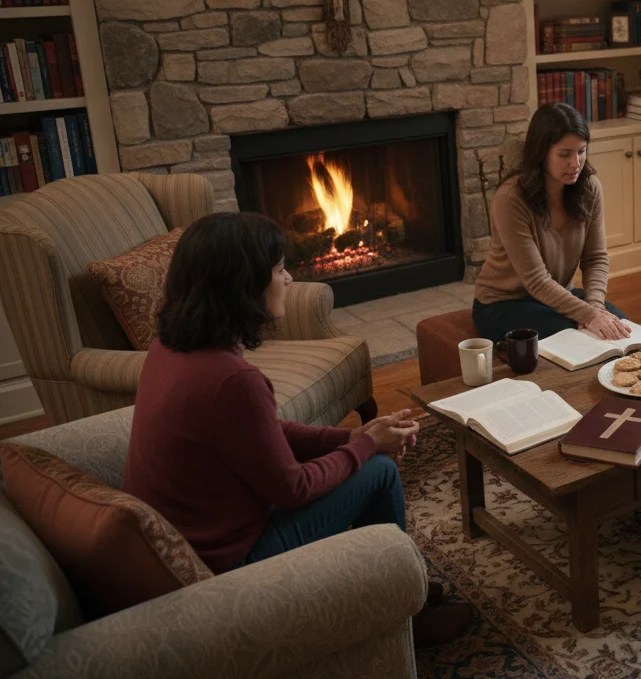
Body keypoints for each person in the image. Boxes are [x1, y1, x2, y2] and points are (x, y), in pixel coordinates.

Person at [122, 212, 472, 646]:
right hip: (225, 563)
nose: (288, 279)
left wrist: (346, 438)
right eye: (279, 269)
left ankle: (398, 584)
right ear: (243, 285)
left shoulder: (173, 346)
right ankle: (403, 617)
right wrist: (365, 447)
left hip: (195, 539)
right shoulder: (232, 380)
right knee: (379, 473)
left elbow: (262, 432)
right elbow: (293, 488)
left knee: (367, 459)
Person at [473, 102, 630, 343]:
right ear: (541, 153)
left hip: (556, 297)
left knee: (624, 328)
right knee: (579, 339)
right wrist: (589, 316)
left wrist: (596, 308)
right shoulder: (510, 199)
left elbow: (596, 258)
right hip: (503, 303)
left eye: (581, 151)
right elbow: (536, 280)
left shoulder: (590, 189)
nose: (575, 163)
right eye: (564, 154)